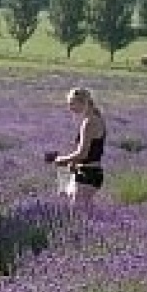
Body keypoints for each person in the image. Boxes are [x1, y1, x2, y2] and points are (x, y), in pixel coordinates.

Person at [53, 86, 107, 214]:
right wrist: (72, 163)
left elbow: (82, 153)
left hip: (87, 174)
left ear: (82, 102)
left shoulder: (88, 123)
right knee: (85, 212)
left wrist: (61, 160)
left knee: (78, 214)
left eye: (72, 104)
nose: (70, 108)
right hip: (91, 172)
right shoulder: (97, 118)